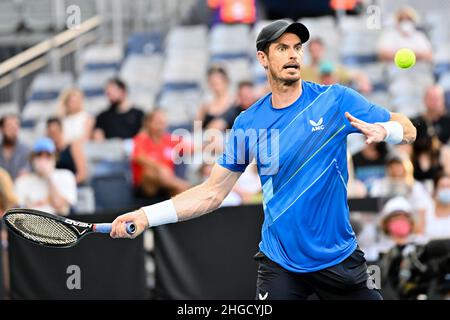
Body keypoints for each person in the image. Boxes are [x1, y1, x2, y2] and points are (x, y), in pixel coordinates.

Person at [111, 20, 416, 300]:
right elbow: (211, 193)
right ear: (263, 59)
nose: (293, 55)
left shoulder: (335, 100)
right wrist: (146, 216)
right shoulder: (248, 123)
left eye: (297, 47)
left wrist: (387, 131)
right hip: (280, 263)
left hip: (338, 259)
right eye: (282, 48)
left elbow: (408, 129)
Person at [131, 110, 191, 198]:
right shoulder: (141, 139)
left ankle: (178, 189)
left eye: (164, 123)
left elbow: (190, 147)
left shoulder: (170, 139)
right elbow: (138, 157)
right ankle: (181, 184)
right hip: (147, 186)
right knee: (150, 172)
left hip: (167, 183)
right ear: (149, 124)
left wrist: (209, 145)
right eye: (158, 122)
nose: (162, 126)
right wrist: (159, 168)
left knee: (178, 191)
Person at [14, 138, 77, 216]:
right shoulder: (22, 181)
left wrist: (49, 177)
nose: (43, 160)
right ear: (33, 159)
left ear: (54, 158)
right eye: (39, 155)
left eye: (48, 156)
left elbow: (61, 207)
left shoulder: (66, 176)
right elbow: (18, 213)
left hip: (58, 225)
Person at [302, 37, 372, 94]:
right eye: (313, 50)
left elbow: (356, 74)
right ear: (309, 51)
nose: (315, 53)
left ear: (323, 50)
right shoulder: (303, 71)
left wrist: (364, 83)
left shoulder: (331, 68)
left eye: (317, 50)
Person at [46, 118, 88, 185]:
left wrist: (67, 185)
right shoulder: (48, 152)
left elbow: (82, 174)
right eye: (51, 133)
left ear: (61, 130)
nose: (53, 135)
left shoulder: (73, 147)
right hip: (54, 187)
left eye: (55, 132)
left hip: (74, 186)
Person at [0, 114, 30, 180]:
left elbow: (27, 171)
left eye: (16, 127)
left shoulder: (26, 151)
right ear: (2, 129)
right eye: (10, 127)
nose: (13, 131)